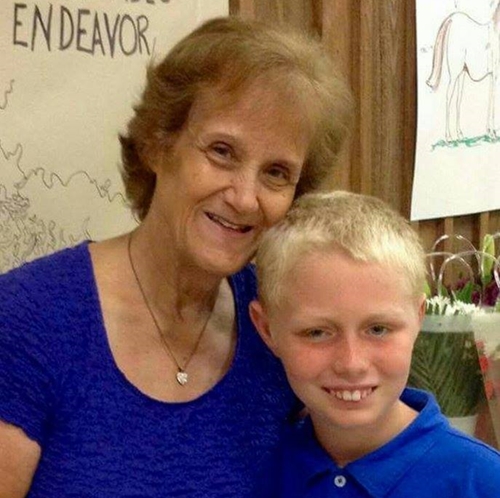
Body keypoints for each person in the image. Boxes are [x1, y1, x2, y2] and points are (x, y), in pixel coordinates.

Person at [0, 17, 353, 498]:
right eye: (222, 152)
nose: (244, 197)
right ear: (156, 145)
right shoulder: (25, 319)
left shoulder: (281, 326)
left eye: (276, 173)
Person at [250, 191, 500, 497]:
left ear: (418, 319)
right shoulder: (254, 470)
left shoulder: (482, 481)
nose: (352, 363)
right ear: (267, 329)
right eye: (317, 333)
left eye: (378, 329)